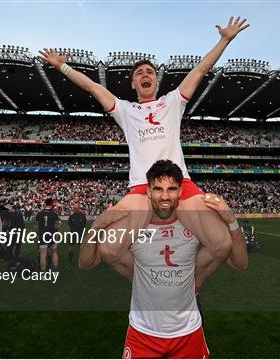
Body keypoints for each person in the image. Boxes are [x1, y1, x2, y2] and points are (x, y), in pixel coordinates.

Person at [39, 16, 250, 268]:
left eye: (149, 71)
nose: (145, 74)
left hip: (180, 182)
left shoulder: (172, 102)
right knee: (109, 249)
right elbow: (94, 88)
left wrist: (224, 40)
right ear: (133, 83)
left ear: (156, 81)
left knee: (221, 244)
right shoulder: (125, 110)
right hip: (141, 186)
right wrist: (62, 67)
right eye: (139, 73)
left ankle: (192, 284)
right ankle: (144, 280)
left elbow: (200, 70)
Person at [79, 160, 248, 358]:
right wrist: (96, 226)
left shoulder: (194, 227)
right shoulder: (134, 229)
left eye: (172, 189)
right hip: (142, 333)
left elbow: (240, 263)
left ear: (181, 192)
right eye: (158, 189)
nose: (165, 196)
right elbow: (86, 262)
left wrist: (231, 221)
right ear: (148, 192)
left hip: (188, 332)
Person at [35, 198, 61, 271]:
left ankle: (43, 273)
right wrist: (59, 226)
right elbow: (56, 226)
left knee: (43, 254)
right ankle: (55, 271)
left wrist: (38, 234)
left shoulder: (39, 214)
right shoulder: (54, 214)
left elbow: (36, 226)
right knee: (54, 252)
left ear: (45, 204)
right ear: (52, 204)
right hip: (52, 234)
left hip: (42, 235)